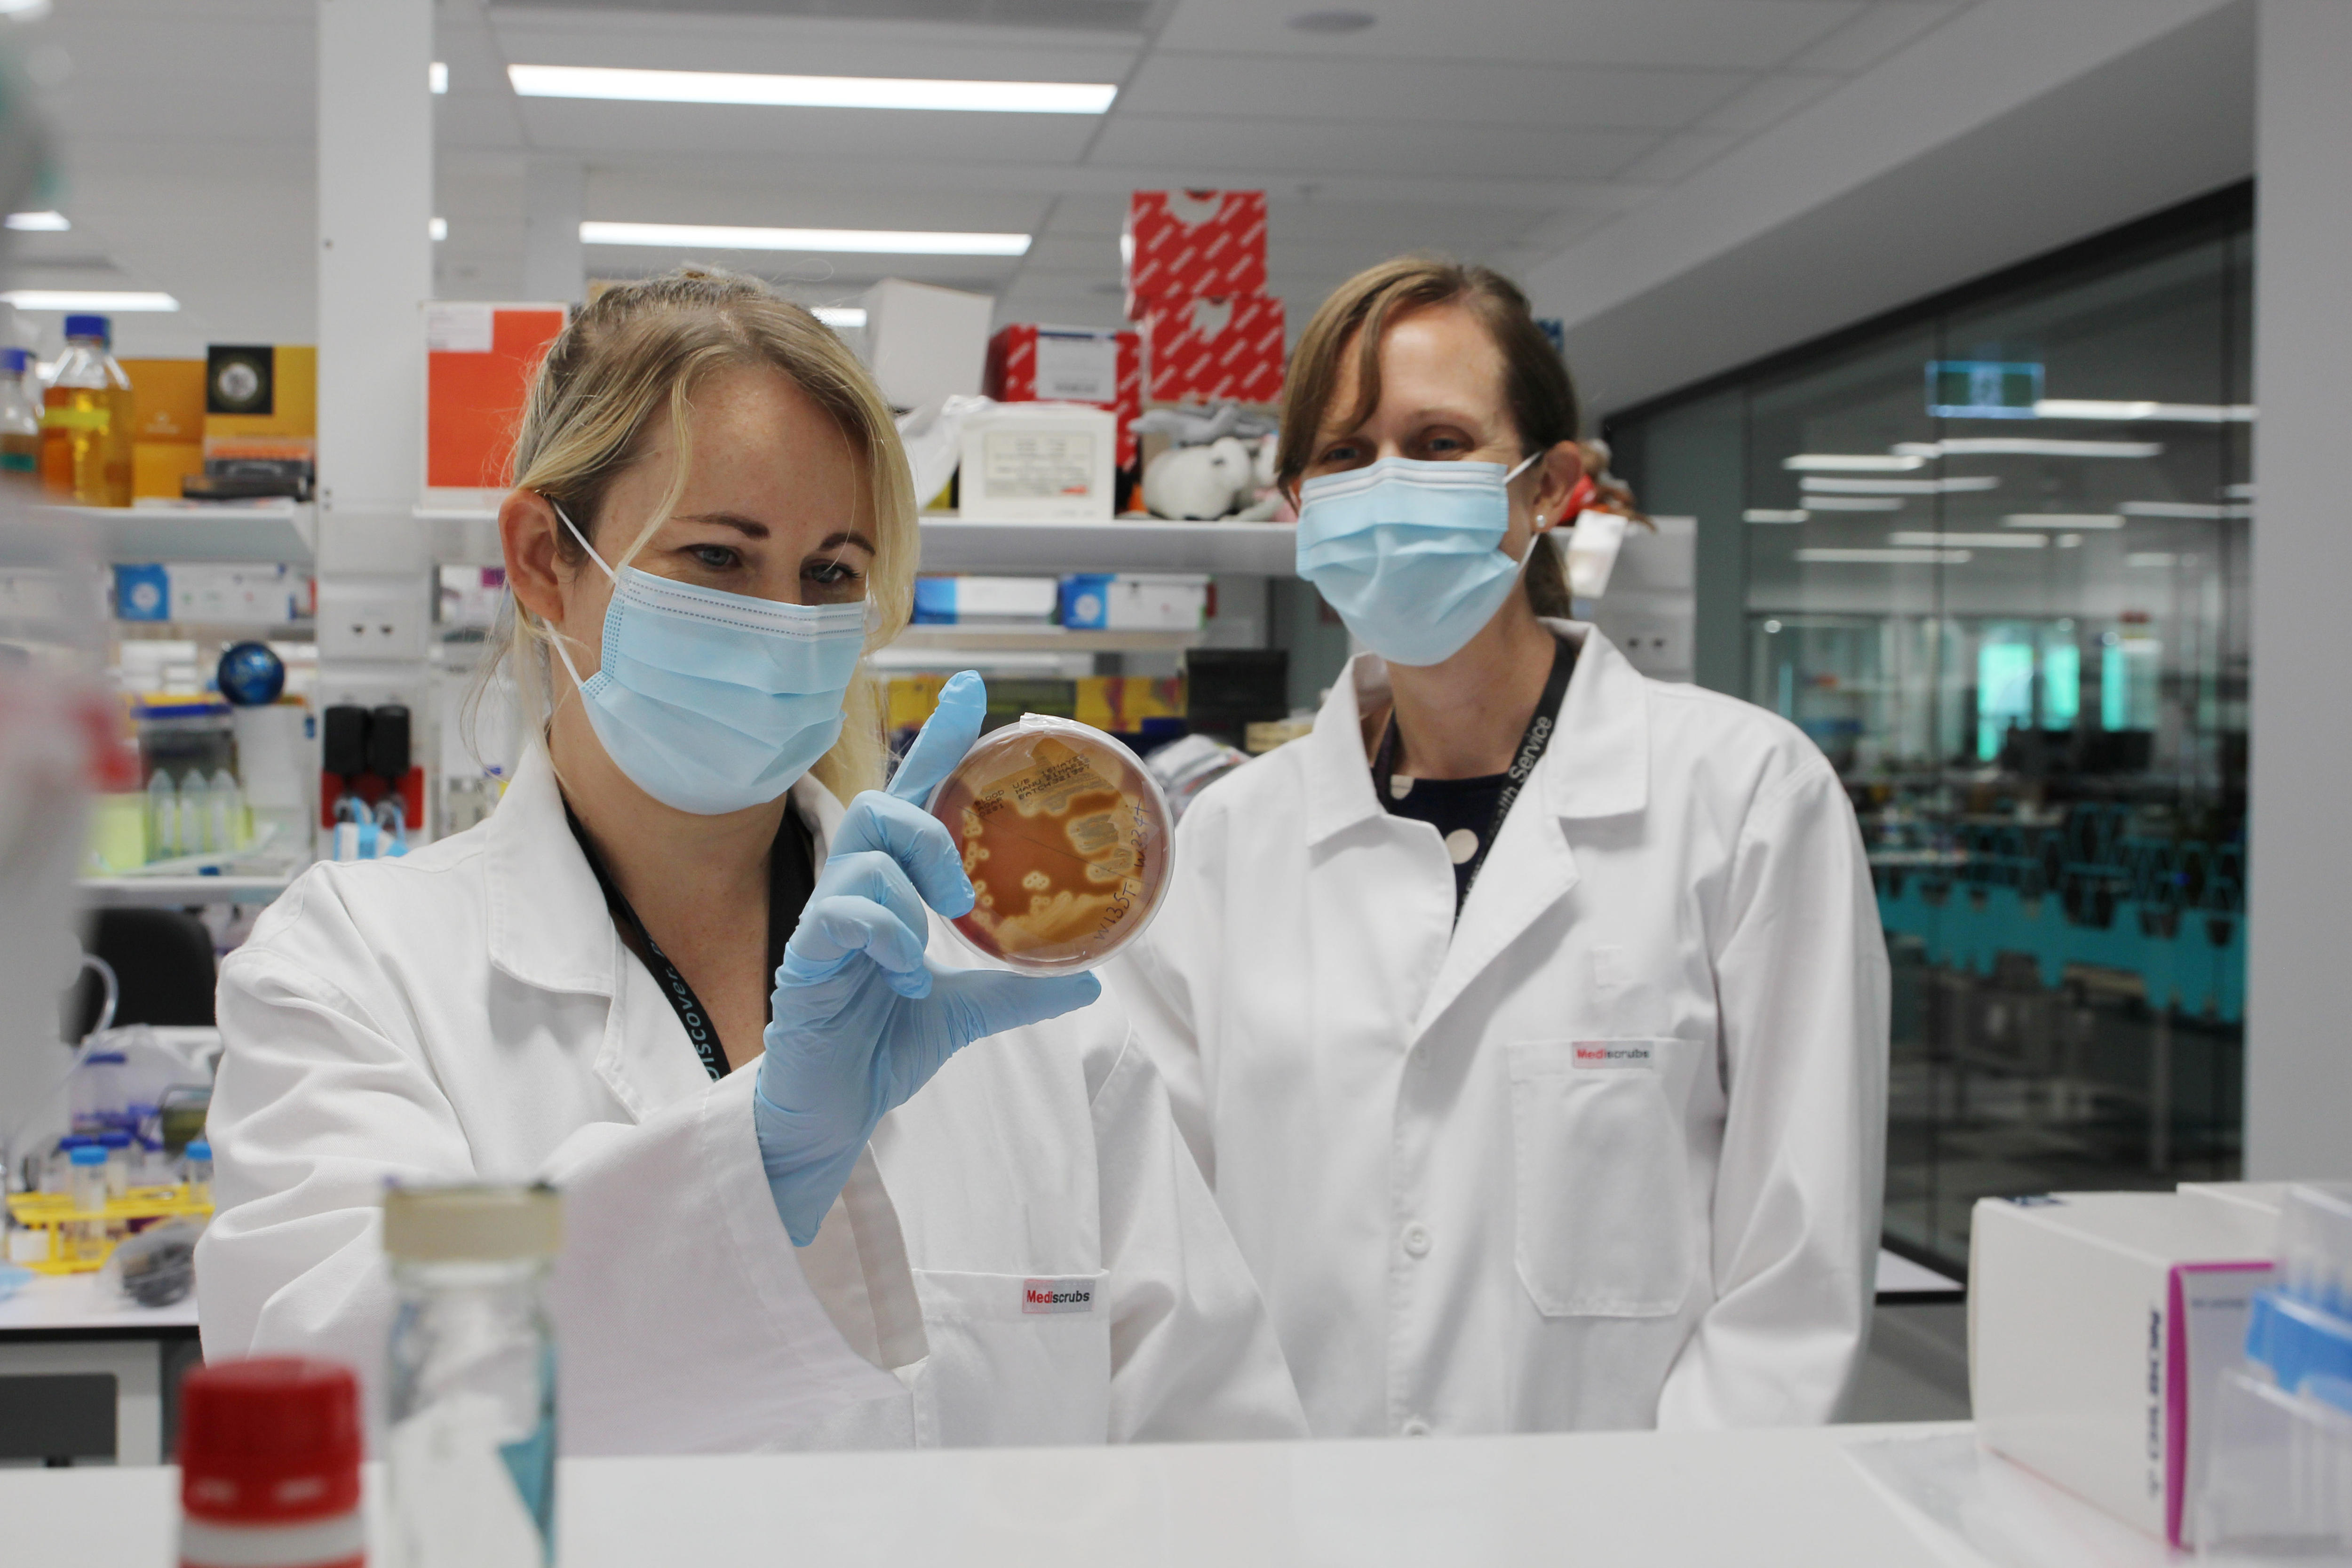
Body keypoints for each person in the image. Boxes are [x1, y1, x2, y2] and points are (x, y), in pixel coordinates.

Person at [195, 267, 1306, 1452]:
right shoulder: (358, 970)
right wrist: (753, 1167)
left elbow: (1217, 1453)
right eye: (721, 558)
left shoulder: (1020, 999)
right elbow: (326, 1390)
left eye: (830, 572)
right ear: (541, 561)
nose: (784, 617)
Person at [1105, 256, 1889, 1437]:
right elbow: (1167, 1245)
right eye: (1342, 455)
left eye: (1437, 443)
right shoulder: (1226, 840)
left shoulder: (1744, 797)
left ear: (1550, 488)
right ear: (1296, 506)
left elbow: (1796, 1271)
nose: (1385, 485)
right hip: (1290, 1519)